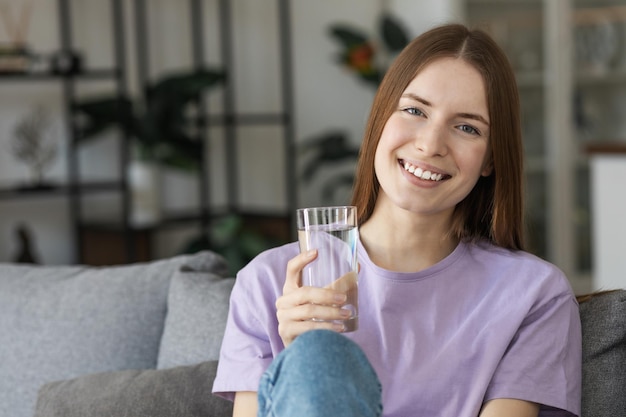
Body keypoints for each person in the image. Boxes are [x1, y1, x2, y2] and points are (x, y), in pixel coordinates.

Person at [212, 23, 582, 417]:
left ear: (491, 158)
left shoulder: (533, 296)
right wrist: (297, 361)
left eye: (467, 127)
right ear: (380, 120)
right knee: (316, 358)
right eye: (414, 110)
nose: (430, 144)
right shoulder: (267, 284)